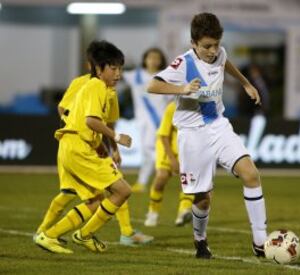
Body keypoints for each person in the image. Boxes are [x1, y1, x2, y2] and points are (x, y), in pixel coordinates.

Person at [147, 13, 267, 259]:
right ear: (193, 43)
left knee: (251, 174)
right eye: (207, 46)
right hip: (192, 135)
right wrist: (182, 88)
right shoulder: (184, 64)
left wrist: (245, 83)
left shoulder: (220, 54)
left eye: (216, 44)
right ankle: (200, 241)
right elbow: (153, 85)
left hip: (218, 125)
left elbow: (225, 62)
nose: (213, 51)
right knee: (202, 199)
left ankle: (260, 242)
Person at [34, 41, 153, 248]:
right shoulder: (91, 85)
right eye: (113, 68)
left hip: (81, 145)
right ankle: (70, 234)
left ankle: (53, 235)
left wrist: (110, 148)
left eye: (120, 68)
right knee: (121, 190)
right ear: (96, 67)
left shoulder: (109, 90)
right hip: (77, 146)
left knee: (95, 199)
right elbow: (84, 118)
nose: (118, 74)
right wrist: (115, 139)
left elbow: (106, 121)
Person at [123, 48, 172, 193]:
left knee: (149, 150)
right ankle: (155, 176)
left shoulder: (165, 77)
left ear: (161, 60)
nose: (153, 60)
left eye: (157, 58)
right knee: (149, 151)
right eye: (150, 57)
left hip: (160, 121)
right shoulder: (135, 75)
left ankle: (150, 178)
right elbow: (115, 75)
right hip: (142, 121)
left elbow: (171, 100)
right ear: (145, 59)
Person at [144, 101, 194, 227]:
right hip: (167, 146)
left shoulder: (202, 108)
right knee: (162, 177)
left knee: (188, 181)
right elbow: (163, 135)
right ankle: (152, 213)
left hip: (187, 149)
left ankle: (183, 213)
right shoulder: (173, 107)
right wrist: (172, 159)